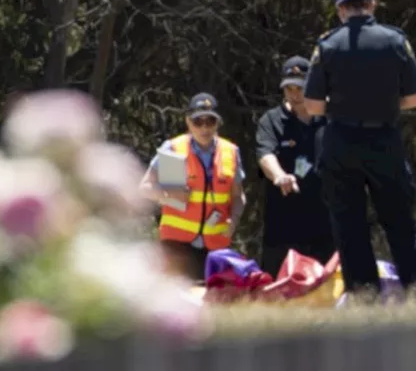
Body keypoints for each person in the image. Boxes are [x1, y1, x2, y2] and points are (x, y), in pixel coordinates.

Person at [304, 0, 416, 300]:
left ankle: (365, 299)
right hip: (383, 140)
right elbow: (415, 97)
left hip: (342, 141)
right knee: (401, 222)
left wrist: (343, 106)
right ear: (372, 5)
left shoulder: (328, 45)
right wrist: (386, 104)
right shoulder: (394, 40)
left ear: (340, 10)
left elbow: (313, 105)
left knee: (349, 226)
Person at [138, 93, 247, 282]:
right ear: (188, 122)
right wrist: (167, 195)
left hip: (215, 247)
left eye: (210, 121)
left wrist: (234, 220)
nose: (204, 128)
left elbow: (238, 196)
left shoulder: (230, 152)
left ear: (217, 123)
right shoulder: (173, 149)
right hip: (177, 245)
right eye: (198, 122)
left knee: (212, 305)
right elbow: (145, 187)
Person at [254, 56, 336, 276]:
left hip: (325, 222)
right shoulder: (271, 120)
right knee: (279, 290)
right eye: (288, 88)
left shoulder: (329, 117)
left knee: (327, 289)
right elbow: (265, 154)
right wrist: (279, 176)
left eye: (299, 87)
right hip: (283, 223)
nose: (294, 93)